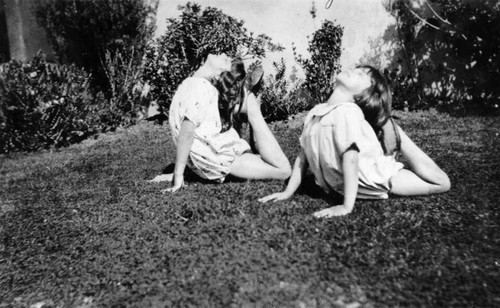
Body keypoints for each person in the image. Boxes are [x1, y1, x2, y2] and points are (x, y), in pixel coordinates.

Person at [258, 65, 450, 217]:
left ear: (364, 93)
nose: (353, 70)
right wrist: (287, 192)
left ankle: (397, 135)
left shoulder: (348, 111)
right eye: (357, 69)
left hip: (377, 177)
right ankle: (387, 135)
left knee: (441, 183)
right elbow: (302, 158)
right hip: (344, 184)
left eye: (360, 74)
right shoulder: (315, 112)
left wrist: (346, 207)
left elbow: (351, 158)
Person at [155, 53, 291, 193]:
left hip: (214, 155)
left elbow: (189, 130)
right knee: (283, 170)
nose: (224, 54)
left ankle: (245, 99)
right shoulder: (200, 86)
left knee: (263, 159)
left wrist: (179, 173)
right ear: (217, 77)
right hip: (219, 157)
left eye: (227, 60)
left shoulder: (193, 84)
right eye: (225, 58)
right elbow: (187, 130)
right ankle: (248, 100)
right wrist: (178, 176)